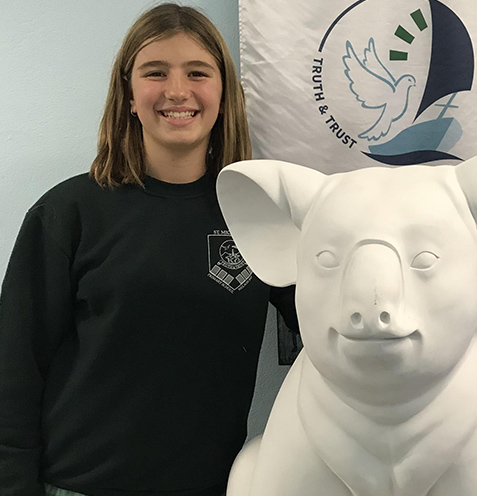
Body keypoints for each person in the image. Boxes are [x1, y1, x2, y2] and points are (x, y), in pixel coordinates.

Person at [0, 4, 297, 496]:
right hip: (78, 487)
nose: (177, 91)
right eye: (155, 72)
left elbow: (329, 326)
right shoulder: (68, 213)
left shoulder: (259, 217)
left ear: (224, 93)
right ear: (130, 95)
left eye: (197, 72)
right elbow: (14, 367)